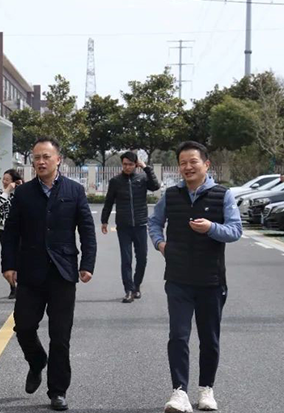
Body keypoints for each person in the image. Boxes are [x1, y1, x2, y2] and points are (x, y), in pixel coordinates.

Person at [1, 137, 97, 411]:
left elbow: (86, 230)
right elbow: (11, 232)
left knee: (60, 335)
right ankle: (36, 361)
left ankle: (58, 391)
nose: (41, 162)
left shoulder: (74, 190)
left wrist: (87, 264)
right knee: (24, 327)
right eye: (36, 158)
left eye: (46, 157)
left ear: (58, 160)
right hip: (30, 272)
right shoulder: (23, 193)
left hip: (62, 273)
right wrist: (8, 265)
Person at [148, 141, 242, 413]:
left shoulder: (222, 195)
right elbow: (154, 222)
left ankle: (206, 389)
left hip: (211, 280)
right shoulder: (171, 195)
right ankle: (179, 392)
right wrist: (160, 243)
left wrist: (211, 227)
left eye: (193, 162)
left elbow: (235, 231)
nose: (187, 167)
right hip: (177, 279)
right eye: (183, 163)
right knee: (178, 336)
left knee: (209, 339)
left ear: (206, 164)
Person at [100, 151, 160, 303]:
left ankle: (136, 286)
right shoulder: (115, 181)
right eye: (125, 164)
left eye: (130, 164)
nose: (127, 167)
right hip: (123, 226)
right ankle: (128, 290)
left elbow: (155, 186)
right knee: (126, 259)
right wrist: (104, 221)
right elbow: (108, 202)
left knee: (142, 258)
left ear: (136, 165)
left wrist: (146, 167)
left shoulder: (142, 179)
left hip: (140, 225)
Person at [0, 168, 24, 299]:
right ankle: (12, 286)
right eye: (3, 179)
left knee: (21, 258)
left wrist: (20, 188)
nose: (4, 181)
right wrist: (7, 190)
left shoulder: (21, 192)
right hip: (4, 229)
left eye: (7, 179)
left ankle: (22, 287)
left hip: (21, 229)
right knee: (7, 259)